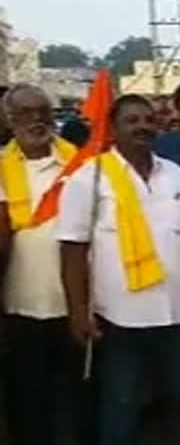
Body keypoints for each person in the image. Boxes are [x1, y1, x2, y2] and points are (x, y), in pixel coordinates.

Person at [58, 94, 180, 445]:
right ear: (113, 128)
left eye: (147, 120)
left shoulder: (174, 173)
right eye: (132, 120)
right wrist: (78, 312)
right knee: (122, 402)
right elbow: (72, 249)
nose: (142, 127)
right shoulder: (91, 178)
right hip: (121, 318)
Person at [0, 85, 93, 445]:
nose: (37, 120)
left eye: (43, 111)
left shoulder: (81, 165)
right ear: (9, 119)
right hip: (20, 306)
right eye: (25, 113)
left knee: (78, 402)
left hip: (75, 307)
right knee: (28, 404)